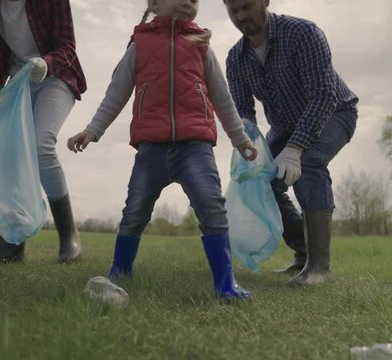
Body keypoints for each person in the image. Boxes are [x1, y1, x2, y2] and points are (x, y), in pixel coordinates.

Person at [68, 0, 258, 300]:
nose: (188, 2)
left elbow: (222, 98)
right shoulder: (140, 45)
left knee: (212, 208)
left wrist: (241, 139)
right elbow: (116, 92)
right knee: (134, 212)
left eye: (195, 0)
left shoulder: (201, 45)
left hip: (195, 147)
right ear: (155, 3)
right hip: (151, 150)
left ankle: (226, 283)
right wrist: (93, 130)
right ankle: (120, 270)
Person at [222, 0, 359, 285]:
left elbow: (323, 95)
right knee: (262, 179)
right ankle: (303, 253)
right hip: (284, 126)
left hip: (335, 112)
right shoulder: (236, 58)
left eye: (247, 6)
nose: (241, 16)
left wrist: (295, 148)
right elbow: (244, 114)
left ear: (265, 2)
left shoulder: (303, 33)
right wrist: (249, 149)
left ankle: (319, 267)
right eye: (234, 10)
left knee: (308, 163)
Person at [0, 0, 87, 264]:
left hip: (55, 77)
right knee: (7, 155)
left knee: (41, 144)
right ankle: (12, 245)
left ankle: (68, 235)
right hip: (18, 82)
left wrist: (45, 62)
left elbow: (68, 47)